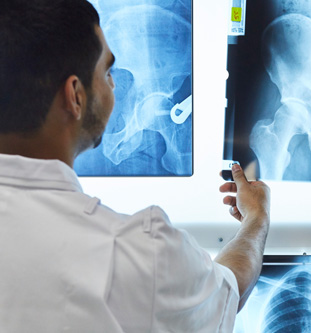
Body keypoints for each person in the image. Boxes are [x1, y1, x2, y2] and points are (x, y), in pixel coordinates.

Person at [0, 0, 270, 332]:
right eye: (108, 72)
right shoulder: (138, 253)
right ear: (75, 96)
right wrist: (256, 220)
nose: (112, 85)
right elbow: (229, 290)